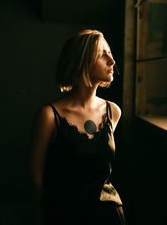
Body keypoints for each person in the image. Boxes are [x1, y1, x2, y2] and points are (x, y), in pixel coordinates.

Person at [29, 29, 126, 225]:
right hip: (66, 216)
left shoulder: (113, 111)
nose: (112, 61)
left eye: (110, 52)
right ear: (82, 62)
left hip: (110, 216)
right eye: (102, 54)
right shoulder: (49, 116)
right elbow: (36, 181)